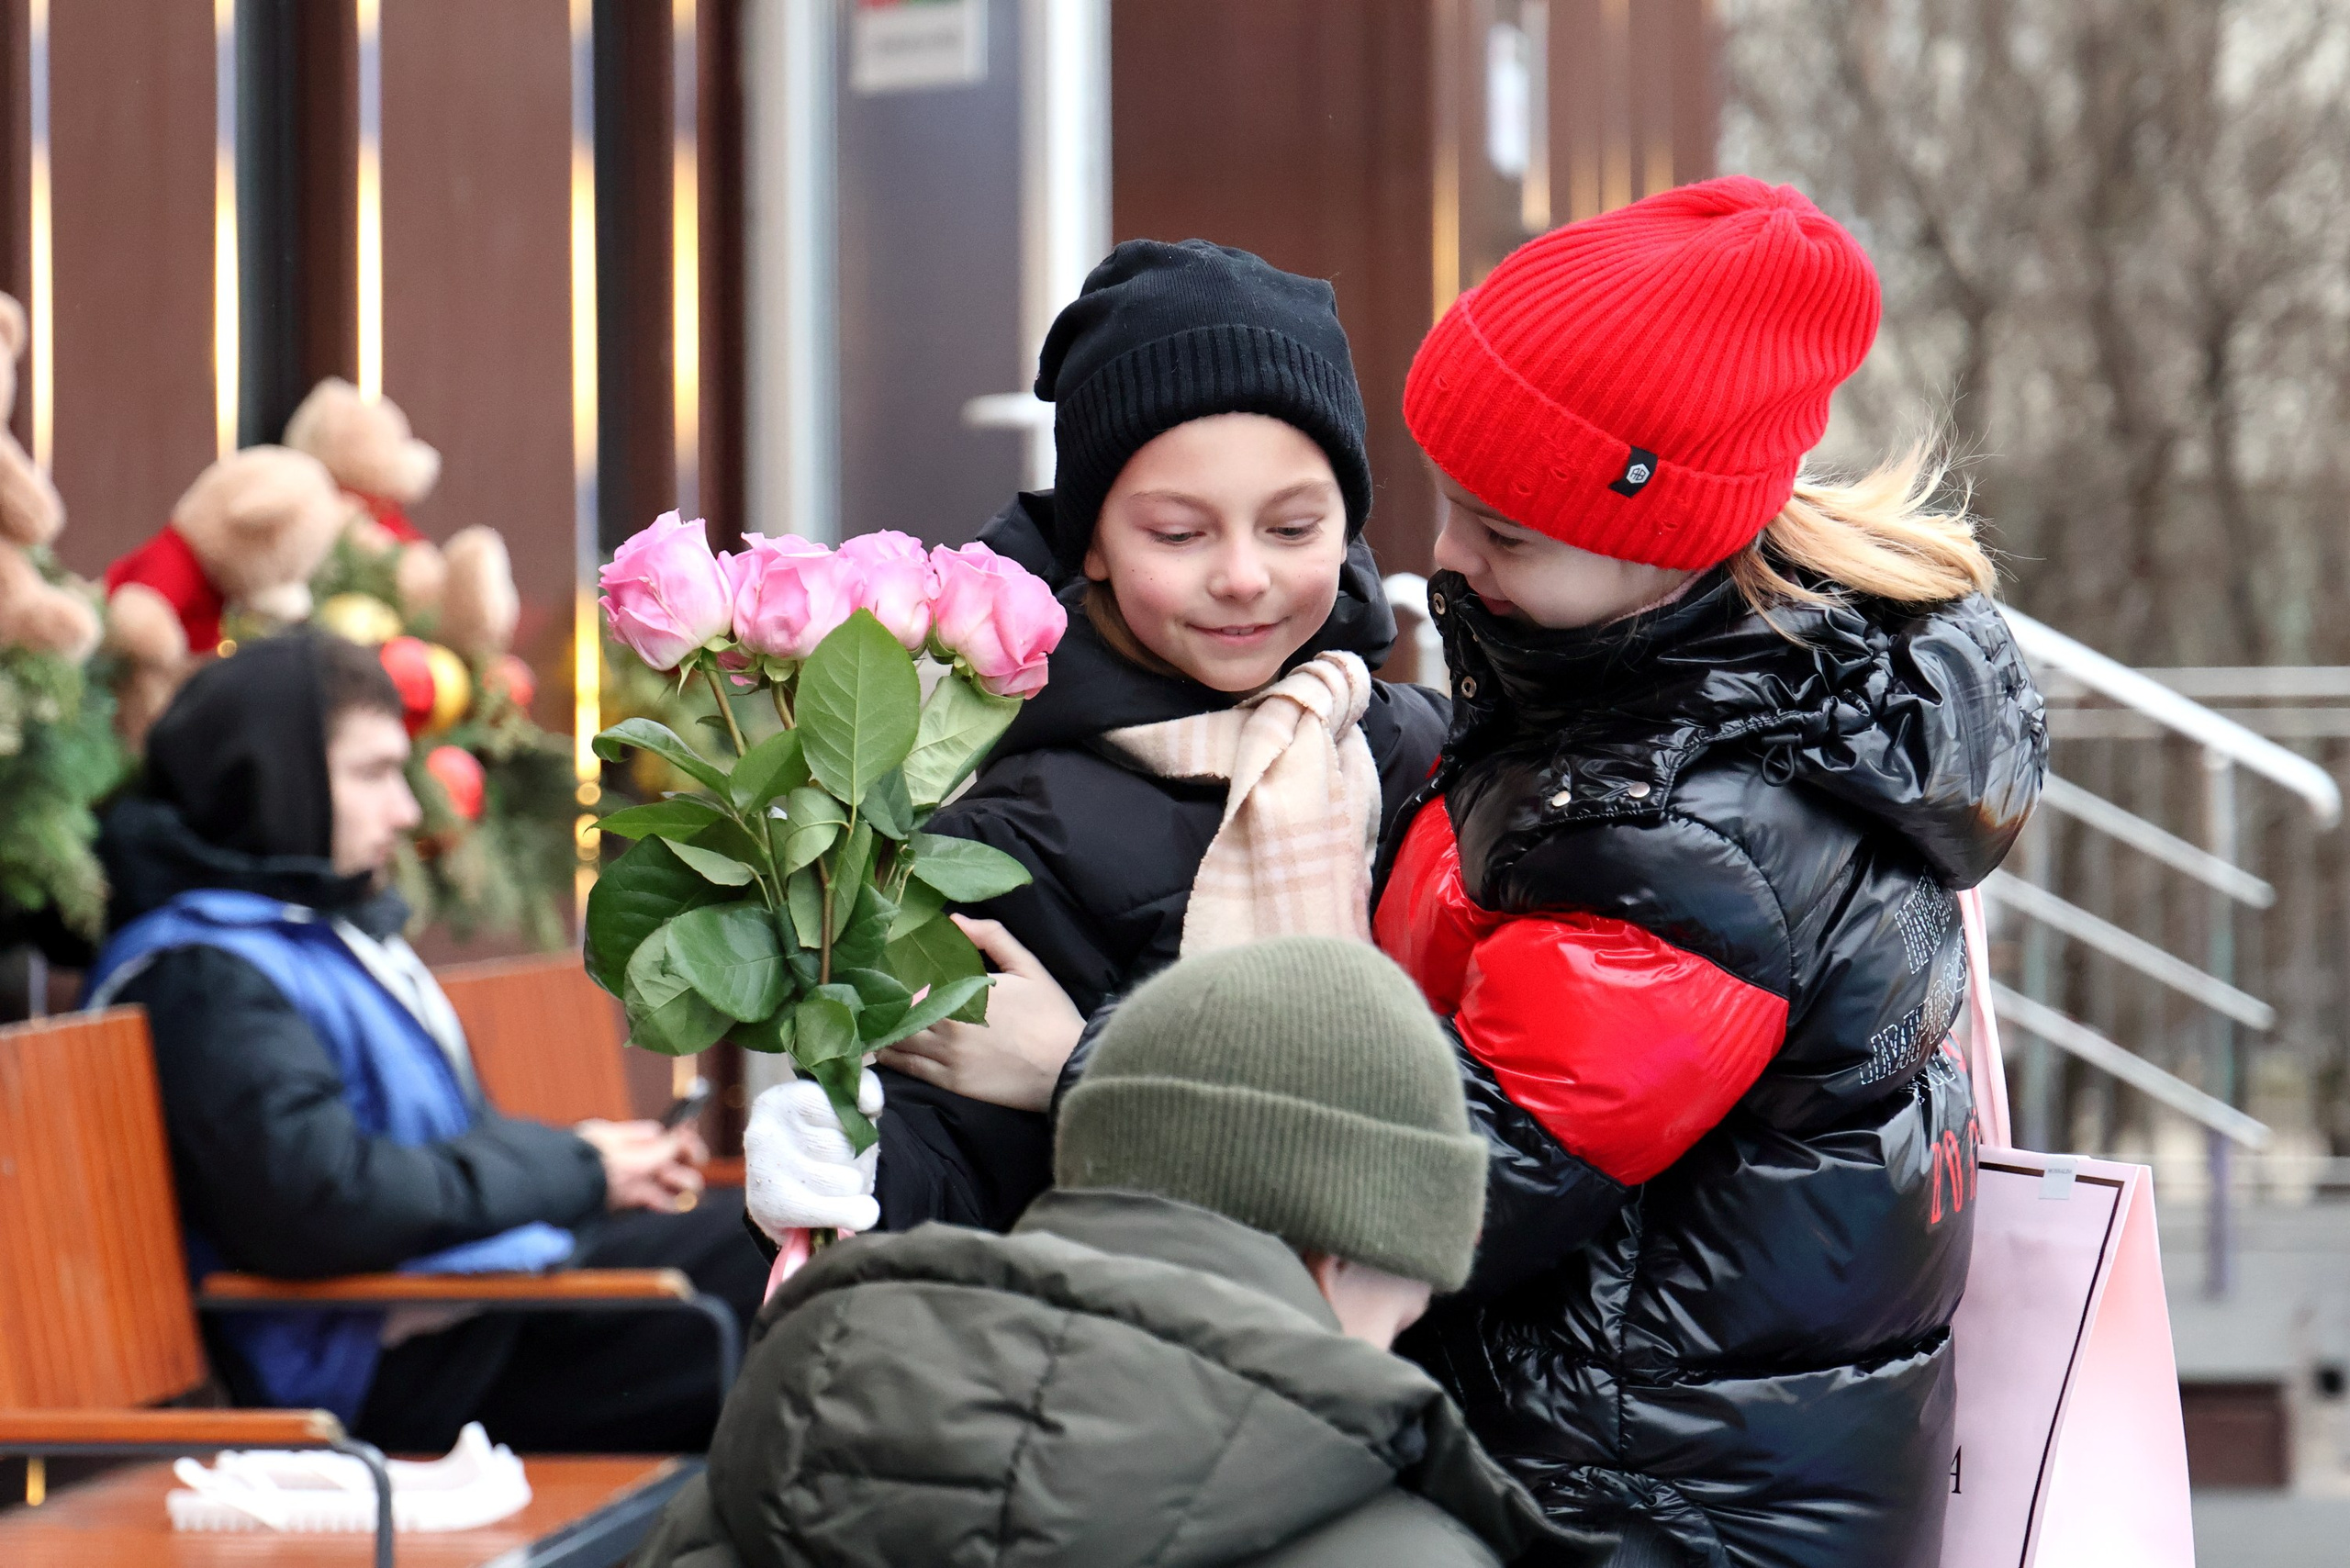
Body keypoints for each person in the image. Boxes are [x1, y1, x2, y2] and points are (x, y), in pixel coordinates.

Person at [1372, 177, 2047, 1566]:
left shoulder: (1689, 837)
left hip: (1647, 1512)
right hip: (1680, 1470)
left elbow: (1466, 1179)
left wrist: (1098, 1066)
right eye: (1446, 505)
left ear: (1658, 541)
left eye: (1502, 534)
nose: (1443, 558)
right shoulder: (1698, 696)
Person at [745, 240, 1450, 1244]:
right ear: (1093, 543)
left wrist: (1085, 1066)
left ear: (1349, 525)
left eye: (1293, 528)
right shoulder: (1009, 831)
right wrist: (853, 1163)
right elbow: (953, 1146)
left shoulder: (1421, 756)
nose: (1243, 575)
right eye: (1178, 533)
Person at [638, 936, 1588, 1568]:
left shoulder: (779, 1445)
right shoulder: (1405, 1548)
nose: (1417, 1310)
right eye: (1420, 1271)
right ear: (1343, 1246)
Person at [83, 632, 765, 1453]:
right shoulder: (204, 975)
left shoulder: (305, 936)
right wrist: (577, 1171)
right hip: (390, 1367)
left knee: (773, 1238)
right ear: (275, 781)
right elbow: (324, 1201)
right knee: (769, 1272)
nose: (408, 810)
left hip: (463, 1308)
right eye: (372, 773)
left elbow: (423, 1151)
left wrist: (588, 1163)